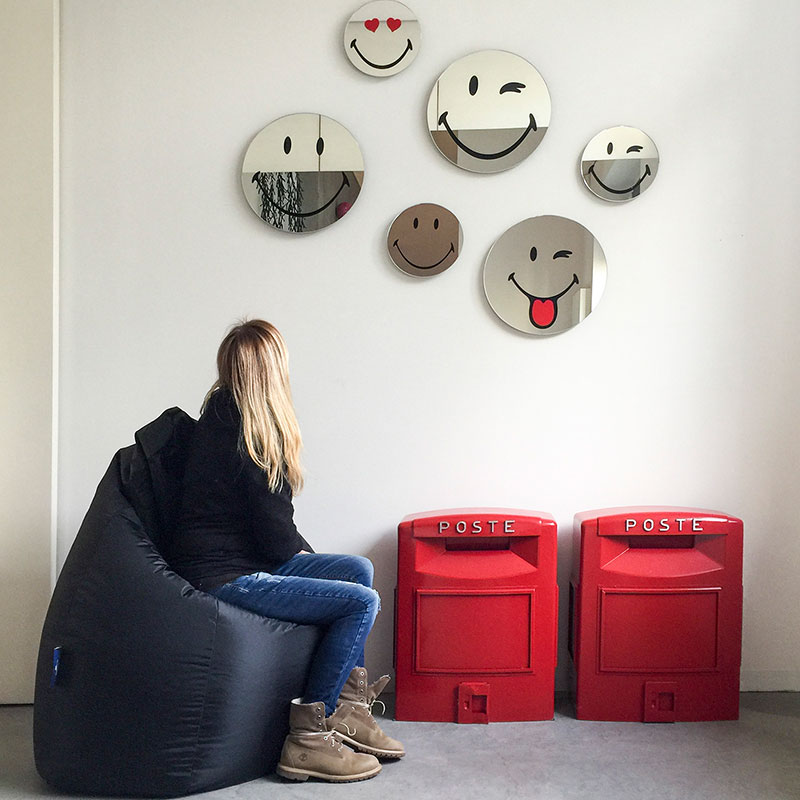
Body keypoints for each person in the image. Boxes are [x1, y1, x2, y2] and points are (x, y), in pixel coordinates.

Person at [170, 319, 403, 783]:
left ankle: (350, 711)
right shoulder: (249, 435)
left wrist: (304, 555)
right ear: (272, 370)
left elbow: (273, 535)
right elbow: (278, 541)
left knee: (357, 569)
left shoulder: (225, 414)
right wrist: (302, 557)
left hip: (240, 560)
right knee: (362, 602)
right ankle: (309, 738)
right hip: (227, 576)